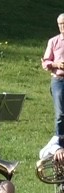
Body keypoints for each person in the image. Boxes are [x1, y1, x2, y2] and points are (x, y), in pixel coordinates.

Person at [41, 12, 64, 140]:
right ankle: (58, 142)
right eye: (60, 24)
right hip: (59, 81)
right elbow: (45, 62)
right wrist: (57, 64)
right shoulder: (53, 41)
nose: (62, 27)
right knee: (60, 114)